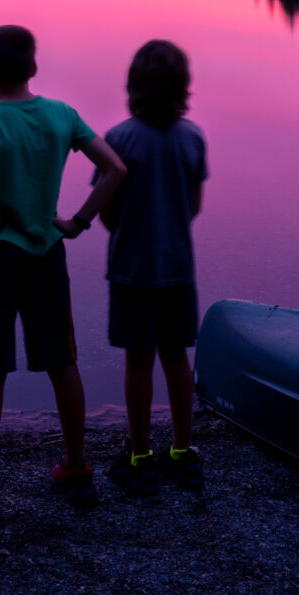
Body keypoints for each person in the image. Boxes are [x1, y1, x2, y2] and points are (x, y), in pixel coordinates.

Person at [0, 23, 127, 522]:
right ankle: (76, 466)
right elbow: (115, 170)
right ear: (34, 68)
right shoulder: (61, 115)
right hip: (47, 252)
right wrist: (78, 222)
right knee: (61, 360)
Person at [100, 39, 208, 494]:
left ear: (134, 86)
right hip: (178, 268)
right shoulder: (193, 137)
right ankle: (182, 451)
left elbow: (107, 210)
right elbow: (194, 206)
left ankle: (140, 454)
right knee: (177, 357)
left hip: (132, 269)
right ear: (182, 86)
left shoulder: (119, 139)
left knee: (138, 361)